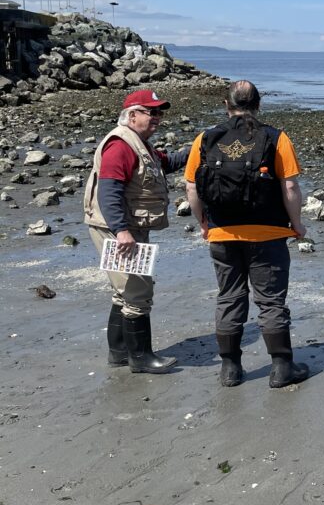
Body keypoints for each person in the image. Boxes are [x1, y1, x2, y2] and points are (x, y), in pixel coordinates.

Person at [184, 80, 310, 389]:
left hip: (222, 232)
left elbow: (191, 187)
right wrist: (297, 224)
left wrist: (203, 222)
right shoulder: (276, 138)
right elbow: (290, 187)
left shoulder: (205, 138)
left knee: (229, 297)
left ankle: (230, 368)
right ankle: (281, 368)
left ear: (226, 105)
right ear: (259, 104)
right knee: (270, 301)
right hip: (267, 233)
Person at [83, 89, 188, 374]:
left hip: (122, 227)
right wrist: (121, 231)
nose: (158, 118)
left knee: (123, 291)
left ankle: (119, 353)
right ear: (132, 115)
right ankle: (141, 358)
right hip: (116, 229)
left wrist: (201, 148)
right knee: (137, 290)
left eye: (160, 113)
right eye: (151, 112)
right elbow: (109, 190)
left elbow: (167, 163)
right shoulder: (121, 145)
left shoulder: (140, 144)